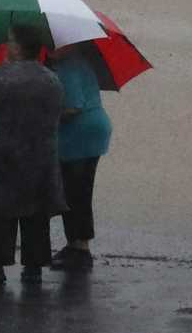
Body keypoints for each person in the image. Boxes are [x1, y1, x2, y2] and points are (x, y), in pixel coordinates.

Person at [0, 21, 65, 287]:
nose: (7, 45)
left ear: (17, 48)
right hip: (40, 158)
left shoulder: (2, 76)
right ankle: (33, 268)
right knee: (36, 215)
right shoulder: (52, 79)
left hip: (2, 157)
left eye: (10, 41)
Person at [50, 41, 112, 269]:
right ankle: (76, 243)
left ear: (71, 46)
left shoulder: (68, 66)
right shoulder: (78, 62)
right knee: (76, 190)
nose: (51, 49)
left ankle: (80, 248)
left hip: (81, 136)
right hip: (89, 133)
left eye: (57, 45)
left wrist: (46, 115)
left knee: (76, 192)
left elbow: (74, 106)